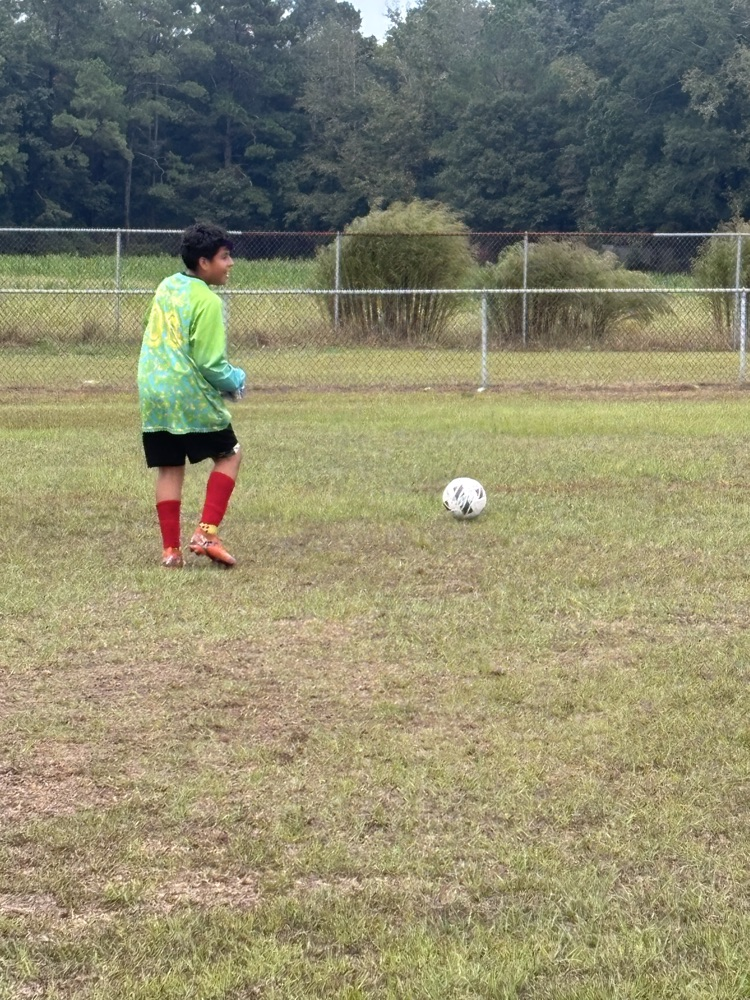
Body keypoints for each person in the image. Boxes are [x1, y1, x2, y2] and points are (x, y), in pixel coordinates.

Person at [138, 221, 246, 568]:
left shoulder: (166, 286)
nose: (230, 264)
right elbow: (210, 364)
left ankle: (170, 552)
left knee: (170, 467)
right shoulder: (208, 301)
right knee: (229, 454)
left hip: (154, 388)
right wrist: (236, 380)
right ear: (204, 262)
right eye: (224, 257)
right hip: (187, 392)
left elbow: (150, 327)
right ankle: (206, 533)